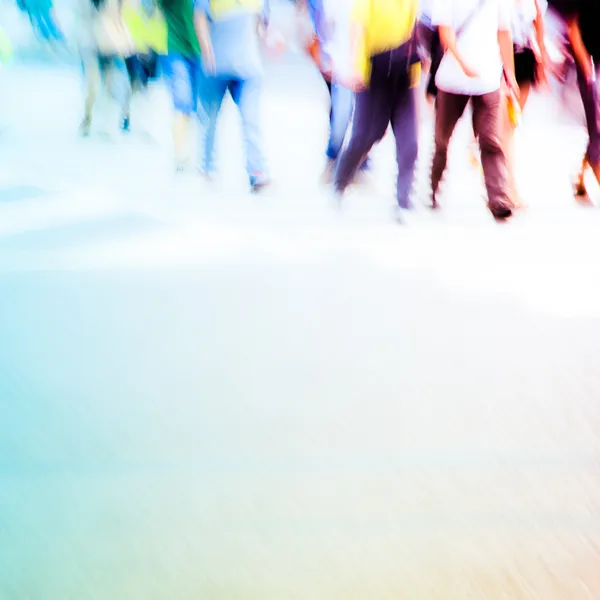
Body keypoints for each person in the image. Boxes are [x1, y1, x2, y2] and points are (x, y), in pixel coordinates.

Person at [430, 0, 519, 220]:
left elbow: (504, 34)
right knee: (442, 140)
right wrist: (463, 64)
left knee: (490, 140)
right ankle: (433, 187)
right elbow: (445, 34)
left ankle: (498, 198)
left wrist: (510, 75)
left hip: (488, 80)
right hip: (452, 79)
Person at [334, 0, 421, 218]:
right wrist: (355, 66)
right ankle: (340, 183)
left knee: (409, 142)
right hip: (373, 73)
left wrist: (417, 73)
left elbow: (413, 31)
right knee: (365, 136)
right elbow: (357, 28)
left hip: (403, 74)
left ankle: (404, 201)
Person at [194, 0, 271, 192]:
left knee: (251, 120)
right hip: (217, 65)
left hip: (248, 67)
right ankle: (206, 168)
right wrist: (206, 51)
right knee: (209, 119)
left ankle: (257, 172)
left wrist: (264, 42)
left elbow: (260, 24)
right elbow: (199, 17)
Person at [551, 0, 600, 199]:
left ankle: (580, 175)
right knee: (596, 125)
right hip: (589, 67)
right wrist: (586, 67)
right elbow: (572, 28)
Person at [505, 0, 548, 206]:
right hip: (503, 62)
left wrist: (542, 62)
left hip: (524, 59)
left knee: (511, 126)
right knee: (505, 129)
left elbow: (538, 22)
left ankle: (503, 184)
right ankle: (507, 188)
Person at [77, 0, 134, 138]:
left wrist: (125, 40)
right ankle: (87, 118)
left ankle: (107, 124)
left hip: (110, 47)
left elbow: (118, 18)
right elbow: (87, 20)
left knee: (111, 86)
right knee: (93, 86)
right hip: (91, 45)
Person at [158, 0, 202, 171]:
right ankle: (180, 154)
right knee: (182, 101)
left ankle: (187, 150)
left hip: (200, 52)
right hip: (175, 50)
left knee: (192, 105)